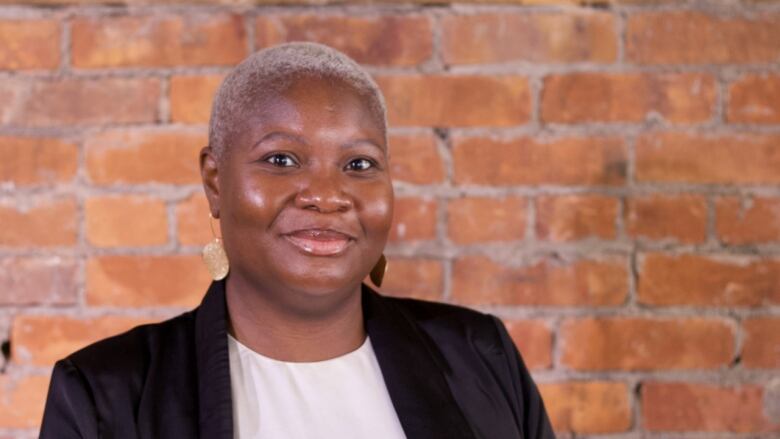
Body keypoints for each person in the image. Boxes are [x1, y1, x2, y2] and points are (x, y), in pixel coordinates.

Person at [39, 42, 555, 439]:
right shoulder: (104, 395)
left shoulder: (479, 357)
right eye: (282, 160)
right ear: (215, 182)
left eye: (359, 164)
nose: (328, 196)